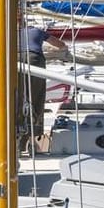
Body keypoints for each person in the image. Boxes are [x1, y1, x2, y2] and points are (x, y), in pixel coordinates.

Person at [17, 22, 68, 154]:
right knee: (36, 98)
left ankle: (16, 139)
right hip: (34, 59)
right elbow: (59, 44)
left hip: (15, 60)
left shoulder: (13, 32)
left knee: (18, 98)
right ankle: (30, 139)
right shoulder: (37, 31)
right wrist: (64, 48)